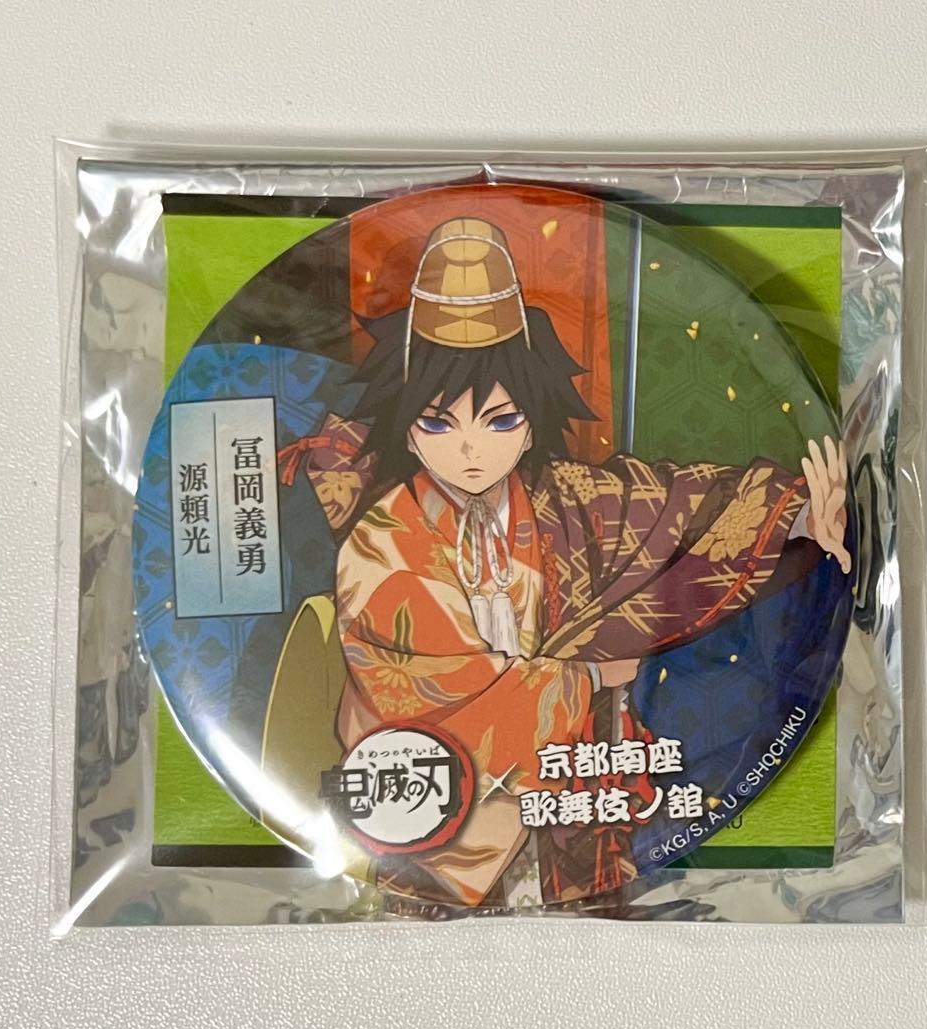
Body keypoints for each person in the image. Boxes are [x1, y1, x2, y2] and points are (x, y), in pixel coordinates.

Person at [282, 217, 850, 907]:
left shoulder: (568, 502)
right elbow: (425, 688)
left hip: (566, 812)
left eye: (500, 420)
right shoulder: (381, 543)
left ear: (531, 424)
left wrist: (801, 515)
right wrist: (589, 678)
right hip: (433, 823)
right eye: (437, 422)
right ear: (406, 426)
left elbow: (678, 505)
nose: (470, 450)